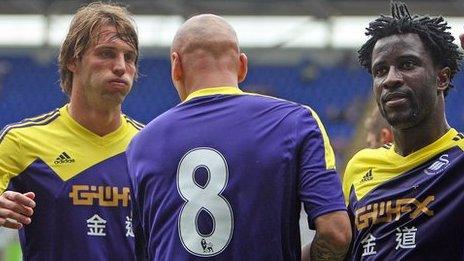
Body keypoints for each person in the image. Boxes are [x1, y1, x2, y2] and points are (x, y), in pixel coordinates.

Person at [126, 14, 351, 261]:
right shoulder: (296, 122)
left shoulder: (141, 144)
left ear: (176, 66)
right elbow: (336, 233)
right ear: (243, 66)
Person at [0, 2, 142, 260]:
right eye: (107, 53)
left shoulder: (149, 145)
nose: (121, 66)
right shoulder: (21, 140)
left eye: (129, 57)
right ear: (72, 61)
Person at [343, 1, 464, 260]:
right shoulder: (360, 166)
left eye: (407, 65)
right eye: (380, 71)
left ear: (442, 78)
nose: (391, 79)